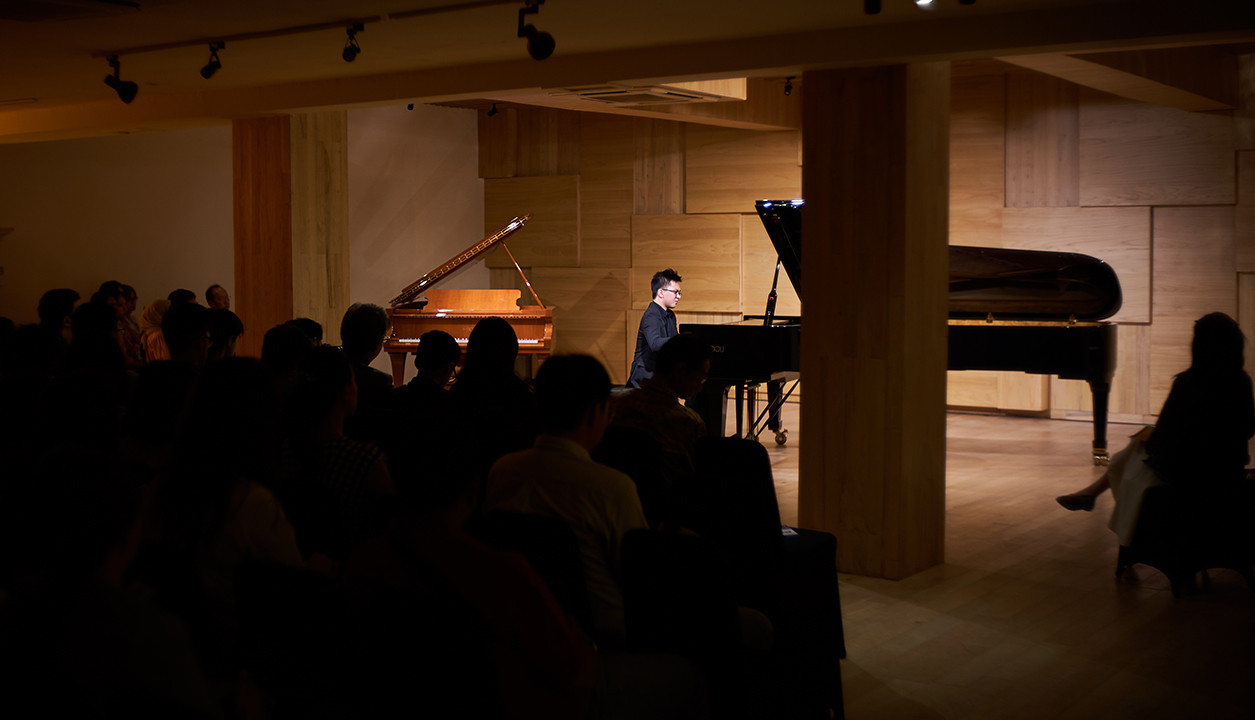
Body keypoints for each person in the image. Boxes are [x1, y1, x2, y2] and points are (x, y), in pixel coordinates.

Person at [483, 354, 648, 647]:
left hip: (515, 634)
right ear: (597, 413)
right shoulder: (612, 488)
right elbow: (640, 578)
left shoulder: (502, 471)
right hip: (599, 643)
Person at [1056, 312, 1255, 545]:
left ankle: (1097, 500)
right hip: (1227, 470)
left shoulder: (1187, 382)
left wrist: (1149, 443)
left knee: (1130, 452)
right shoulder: (1242, 382)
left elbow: (1165, 435)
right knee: (1129, 452)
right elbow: (1248, 429)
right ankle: (1090, 494)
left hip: (1187, 473)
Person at [628, 268, 682, 388]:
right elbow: (655, 343)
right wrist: (680, 340)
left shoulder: (670, 315)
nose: (678, 296)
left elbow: (673, 345)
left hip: (659, 372)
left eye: (679, 293)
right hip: (645, 376)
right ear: (661, 292)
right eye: (675, 292)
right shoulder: (651, 315)